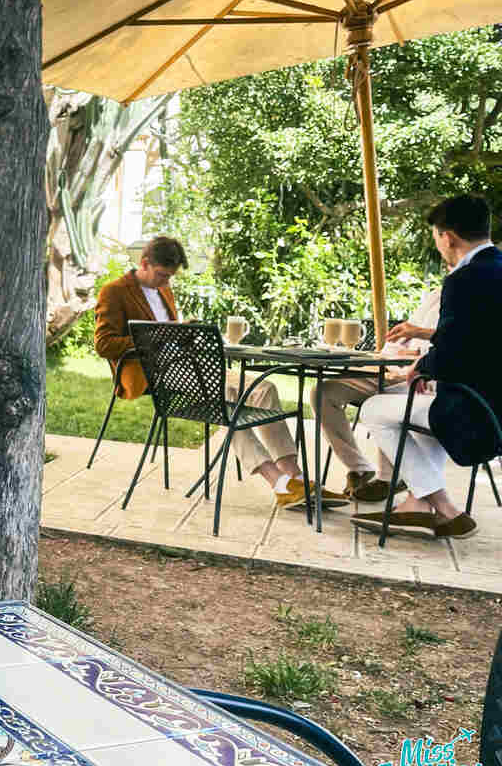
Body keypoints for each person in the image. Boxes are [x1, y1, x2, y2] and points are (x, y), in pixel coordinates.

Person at [94, 236, 343, 509]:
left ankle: (294, 477)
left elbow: (170, 333)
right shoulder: (114, 291)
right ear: (144, 263)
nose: (166, 283)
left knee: (264, 389)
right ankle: (279, 484)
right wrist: (158, 336)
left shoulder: (164, 289)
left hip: (187, 365)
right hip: (151, 373)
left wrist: (183, 332)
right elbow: (104, 345)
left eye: (170, 277)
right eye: (162, 275)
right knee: (226, 405)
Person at [353, 195, 502, 540]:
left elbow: (453, 350)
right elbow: (476, 343)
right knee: (414, 407)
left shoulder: (463, 280)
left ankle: (446, 508)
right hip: (493, 404)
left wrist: (423, 367)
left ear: (447, 236)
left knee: (375, 409)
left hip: (471, 409)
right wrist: (430, 366)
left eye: (437, 237)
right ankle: (417, 506)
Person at [308, 286, 440, 503]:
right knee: (323, 392)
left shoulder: (475, 297)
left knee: (381, 403)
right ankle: (358, 468)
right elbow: (399, 341)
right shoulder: (436, 294)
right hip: (392, 370)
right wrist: (400, 351)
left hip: (422, 381)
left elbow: (450, 348)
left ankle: (389, 478)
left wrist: (416, 353)